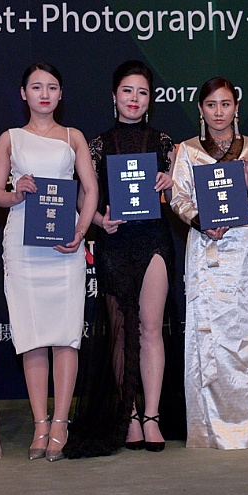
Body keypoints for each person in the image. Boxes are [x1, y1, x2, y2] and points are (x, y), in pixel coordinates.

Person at [66, 60, 179, 457]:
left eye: (142, 92)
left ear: (151, 99)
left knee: (150, 328)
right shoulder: (97, 145)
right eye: (128, 91)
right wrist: (99, 220)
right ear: (114, 96)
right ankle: (128, 414)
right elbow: (83, 196)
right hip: (114, 243)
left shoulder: (164, 143)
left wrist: (170, 182)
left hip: (154, 241)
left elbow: (176, 198)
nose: (134, 99)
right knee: (119, 331)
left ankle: (152, 416)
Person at [168, 77, 248, 449]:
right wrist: (200, 221)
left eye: (225, 104)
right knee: (210, 335)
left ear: (236, 108)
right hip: (207, 247)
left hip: (245, 248)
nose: (218, 112)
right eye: (211, 105)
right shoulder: (188, 150)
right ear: (200, 110)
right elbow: (178, 198)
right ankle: (209, 427)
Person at [0, 63, 98, 461]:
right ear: (24, 93)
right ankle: (40, 423)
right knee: (31, 334)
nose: (45, 94)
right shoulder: (10, 138)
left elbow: (90, 189)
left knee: (65, 335)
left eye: (52, 87)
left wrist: (81, 231)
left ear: (60, 93)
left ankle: (61, 423)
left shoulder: (73, 137)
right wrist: (15, 192)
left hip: (64, 245)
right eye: (36, 87)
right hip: (23, 245)